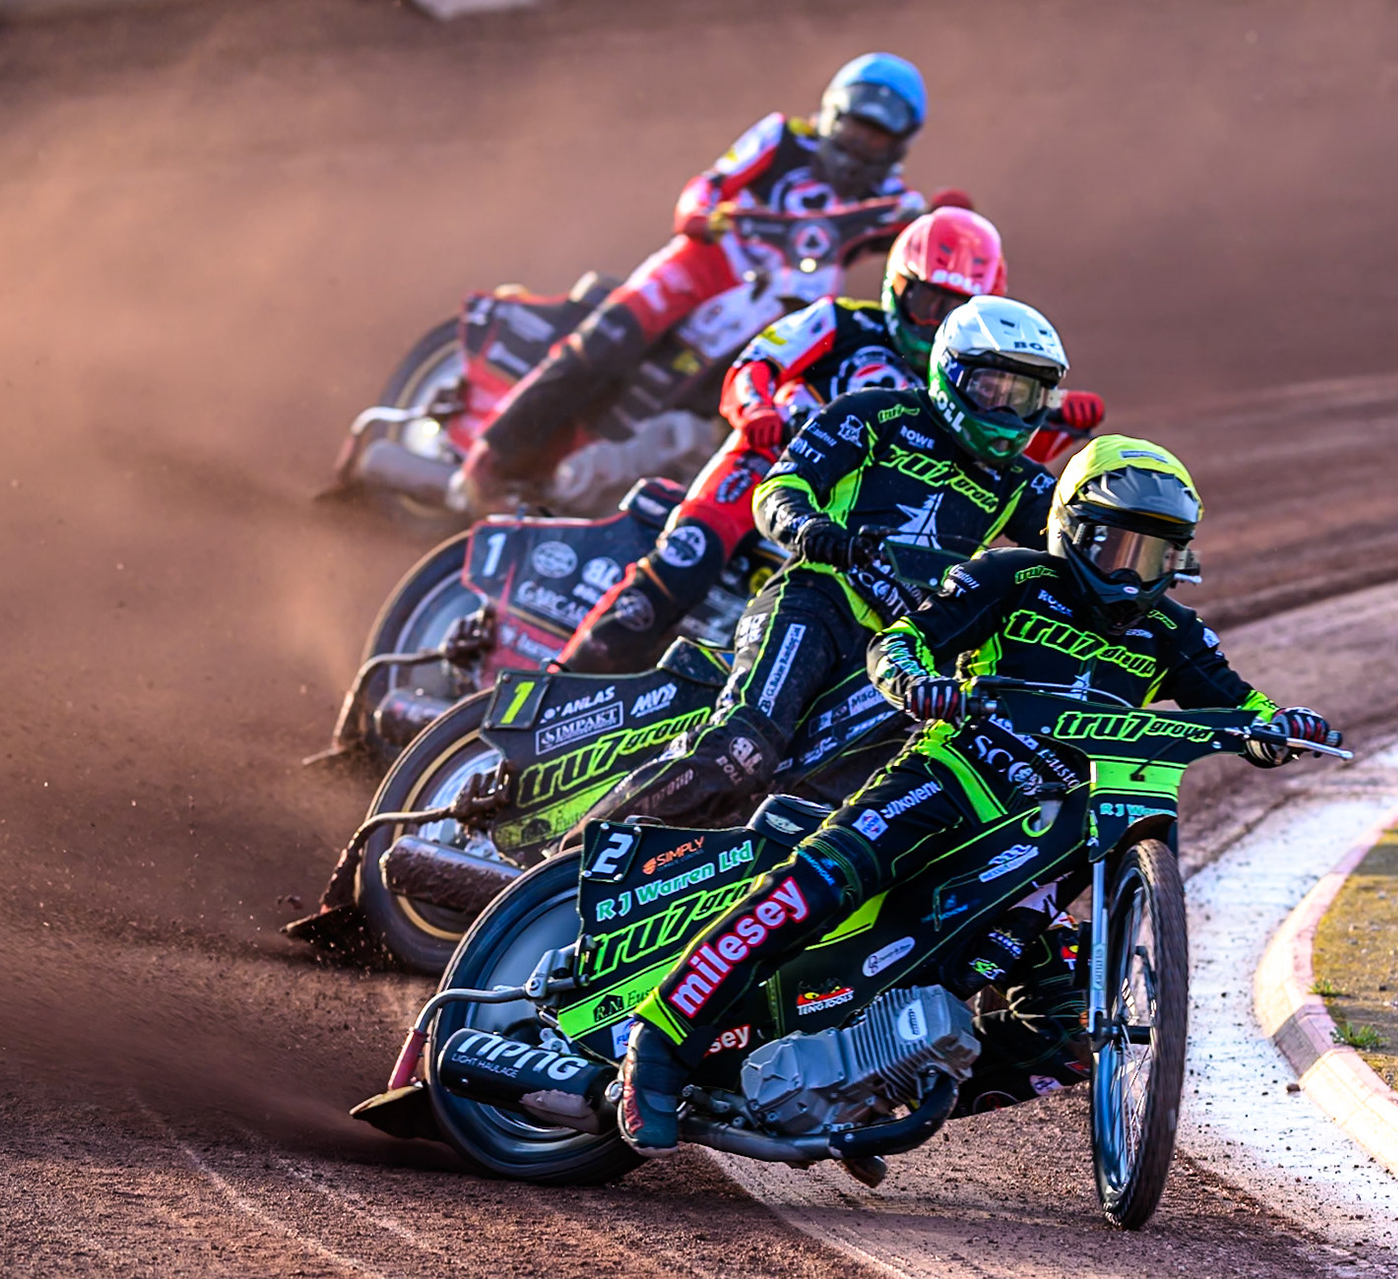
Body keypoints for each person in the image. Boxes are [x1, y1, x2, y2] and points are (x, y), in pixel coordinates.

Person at [614, 434, 1341, 1151]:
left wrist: (1278, 727)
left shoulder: (1173, 633)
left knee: (1062, 1038)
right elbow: (903, 641)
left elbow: (1245, 707)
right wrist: (914, 680)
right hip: (943, 782)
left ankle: (874, 1088)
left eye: (1152, 553)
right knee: (810, 889)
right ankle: (659, 1036)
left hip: (1042, 847)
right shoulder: (1014, 577)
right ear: (1071, 529)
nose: (1131, 571)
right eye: (1115, 545)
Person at [570, 295, 1070, 855]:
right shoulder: (874, 413)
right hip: (817, 602)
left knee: (829, 802)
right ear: (951, 372)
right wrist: (808, 527)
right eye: (992, 389)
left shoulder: (1025, 484)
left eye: (1025, 395)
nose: (1006, 410)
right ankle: (565, 864)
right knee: (743, 749)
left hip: (900, 652)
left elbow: (1076, 560)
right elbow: (778, 489)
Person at [554, 207, 1107, 674]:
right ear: (895, 285)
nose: (934, 321)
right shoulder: (839, 323)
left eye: (955, 309)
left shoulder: (967, 383)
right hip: (771, 468)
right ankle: (559, 684)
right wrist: (758, 411)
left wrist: (1055, 433)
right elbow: (757, 362)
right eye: (925, 302)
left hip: (864, 514)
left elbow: (981, 469)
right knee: (685, 561)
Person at [459, 53, 934, 510]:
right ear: (833, 113)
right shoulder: (783, 138)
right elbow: (710, 183)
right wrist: (699, 215)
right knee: (605, 345)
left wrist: (939, 219)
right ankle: (487, 457)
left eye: (875, 138)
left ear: (898, 143)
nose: (859, 145)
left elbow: (917, 245)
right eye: (855, 127)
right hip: (704, 262)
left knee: (713, 402)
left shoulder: (893, 202)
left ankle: (585, 485)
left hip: (767, 308)